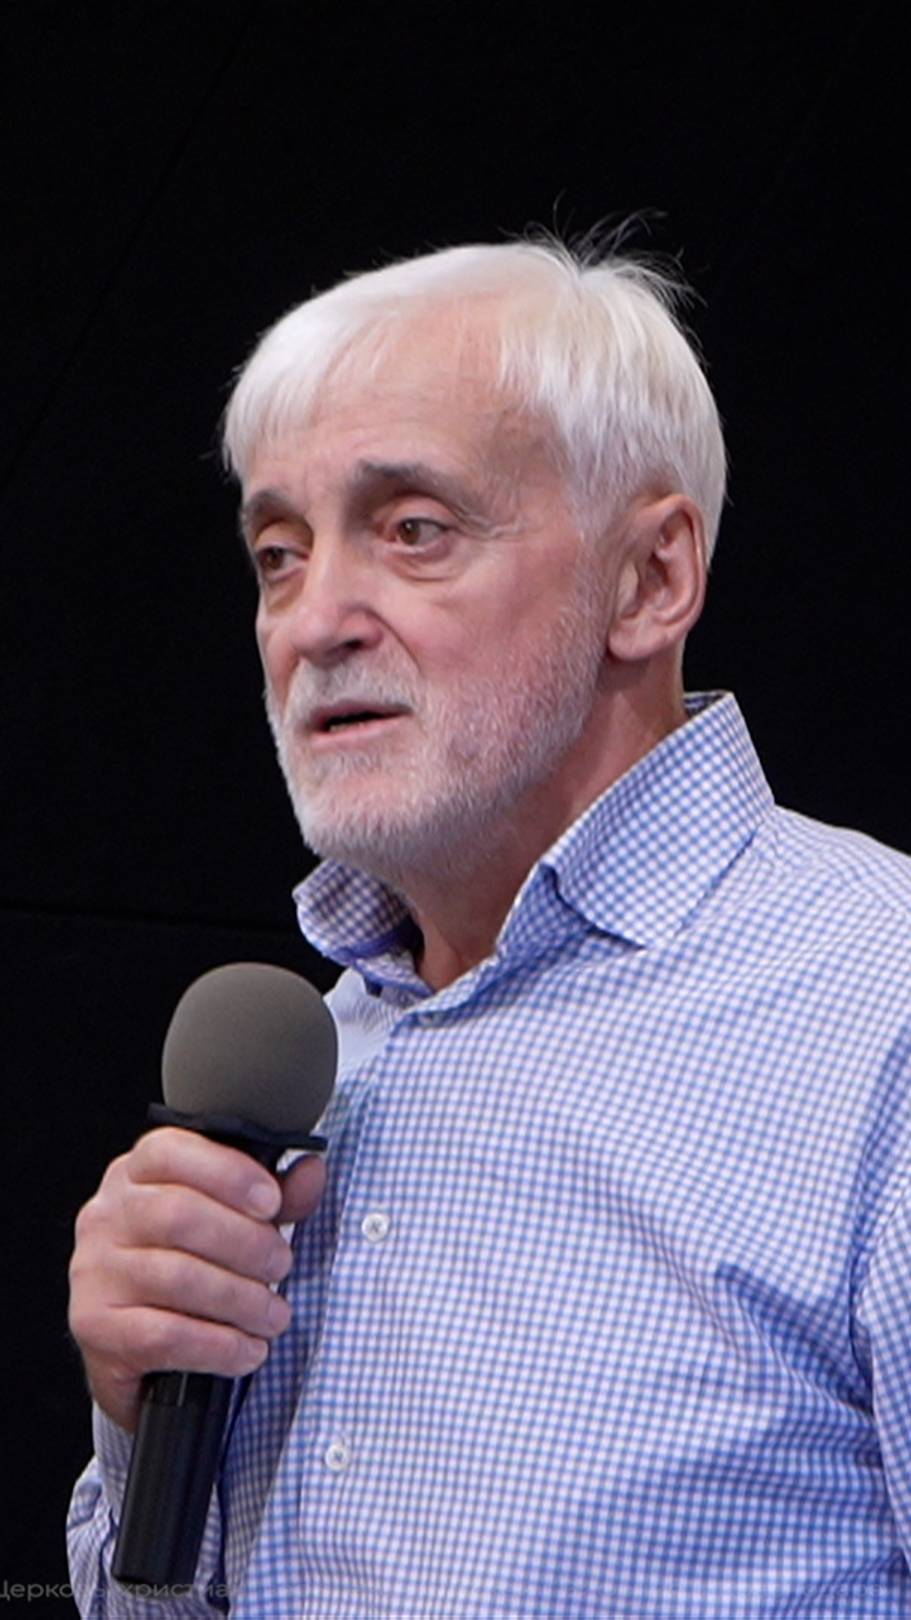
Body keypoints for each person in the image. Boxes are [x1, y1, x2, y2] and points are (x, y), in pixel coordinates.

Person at [67, 238, 911, 1617]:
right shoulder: (312, 1064)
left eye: (414, 530)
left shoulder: (883, 1011)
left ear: (650, 580)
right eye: (279, 554)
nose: (314, 622)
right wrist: (136, 1410)